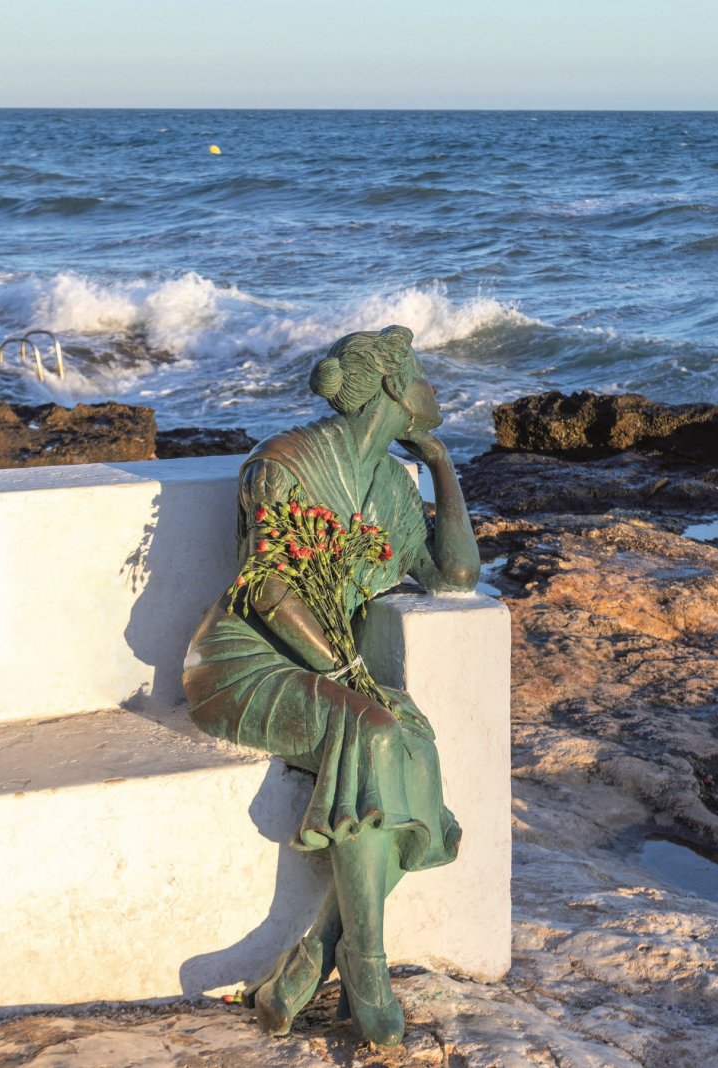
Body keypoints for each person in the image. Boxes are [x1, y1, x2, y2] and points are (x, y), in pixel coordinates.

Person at [182, 325, 480, 1045]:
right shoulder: (281, 463)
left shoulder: (389, 485)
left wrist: (441, 465)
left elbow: (455, 574)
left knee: (410, 741)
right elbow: (267, 592)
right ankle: (365, 964)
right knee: (377, 732)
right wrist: (348, 673)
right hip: (245, 661)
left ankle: (316, 954)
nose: (431, 389)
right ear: (388, 385)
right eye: (419, 372)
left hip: (328, 662)